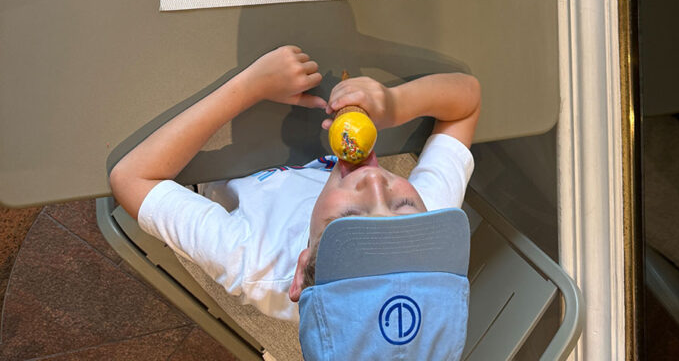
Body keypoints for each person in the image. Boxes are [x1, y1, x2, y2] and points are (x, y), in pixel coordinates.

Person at [109, 45, 481, 359]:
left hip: (219, 143)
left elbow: (132, 179)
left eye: (350, 215)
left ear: (301, 272)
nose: (375, 182)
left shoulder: (255, 261)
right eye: (405, 207)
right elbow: (466, 103)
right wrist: (395, 104)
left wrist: (249, 87)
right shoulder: (428, 240)